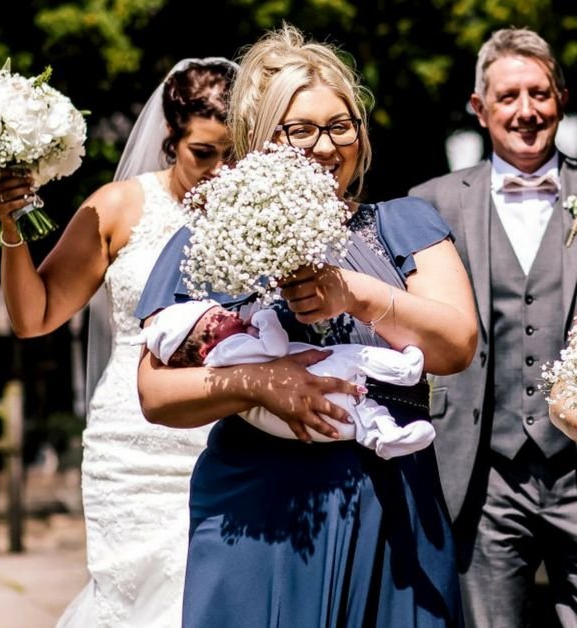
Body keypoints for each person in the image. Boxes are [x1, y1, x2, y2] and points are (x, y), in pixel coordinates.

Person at [135, 25, 476, 626]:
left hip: (390, 500)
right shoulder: (208, 241)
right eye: (301, 129)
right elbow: (155, 392)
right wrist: (259, 383)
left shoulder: (404, 223)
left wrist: (358, 294)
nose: (325, 146)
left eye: (340, 125)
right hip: (258, 503)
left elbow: (457, 345)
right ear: (261, 139)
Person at [0, 58, 235, 625]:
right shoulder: (119, 207)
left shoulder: (252, 208)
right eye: (204, 153)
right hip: (133, 447)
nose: (220, 170)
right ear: (170, 139)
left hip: (225, 430)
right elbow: (35, 317)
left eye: (232, 153)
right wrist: (9, 228)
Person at [409, 27, 577, 627]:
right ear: (480, 108)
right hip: (481, 473)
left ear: (560, 97)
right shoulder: (431, 203)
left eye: (540, 93)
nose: (526, 112)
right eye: (508, 97)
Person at [134, 301, 435, 459]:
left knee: (359, 408)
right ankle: (404, 369)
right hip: (310, 386)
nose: (229, 314)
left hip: (309, 416)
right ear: (204, 345)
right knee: (353, 357)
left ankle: (384, 437)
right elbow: (275, 348)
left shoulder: (222, 356)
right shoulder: (227, 352)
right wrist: (264, 318)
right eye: (219, 317)